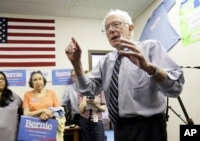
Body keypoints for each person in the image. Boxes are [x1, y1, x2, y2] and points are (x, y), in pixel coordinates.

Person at [65, 9, 184, 141]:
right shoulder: (105, 61)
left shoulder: (151, 48)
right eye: (106, 28)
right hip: (119, 128)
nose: (111, 30)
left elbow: (175, 88)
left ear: (130, 28)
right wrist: (76, 64)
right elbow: (88, 89)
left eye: (116, 24)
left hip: (149, 127)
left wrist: (149, 68)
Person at [23, 70, 65, 141]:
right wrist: (42, 111)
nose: (38, 82)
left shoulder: (51, 93)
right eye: (35, 80)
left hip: (51, 128)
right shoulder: (27, 94)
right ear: (31, 82)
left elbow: (60, 111)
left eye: (40, 79)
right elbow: (26, 114)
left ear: (43, 80)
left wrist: (50, 115)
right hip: (34, 130)